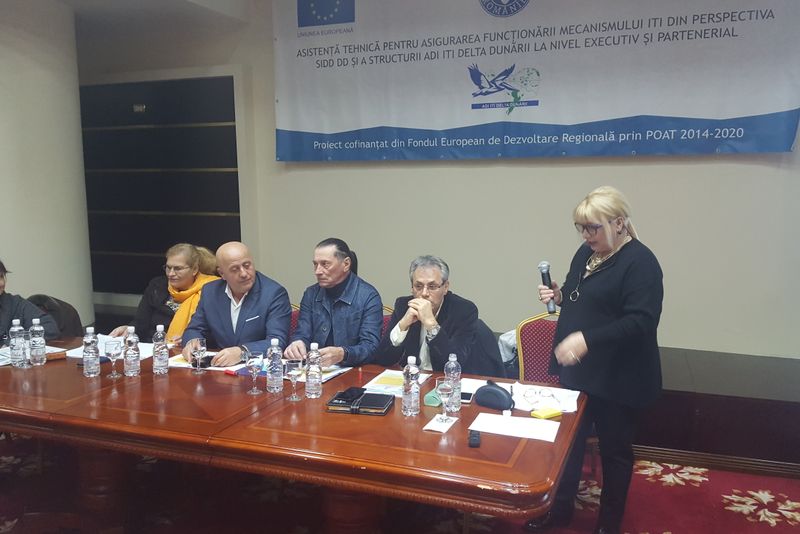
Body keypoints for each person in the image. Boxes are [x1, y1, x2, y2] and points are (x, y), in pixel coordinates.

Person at [525, 186, 663, 534]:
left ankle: (608, 524)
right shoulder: (586, 253)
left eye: (593, 227)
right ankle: (559, 511)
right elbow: (581, 295)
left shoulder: (641, 262)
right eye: (581, 227)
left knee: (615, 453)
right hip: (581, 371)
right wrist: (558, 295)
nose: (586, 235)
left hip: (619, 377)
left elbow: (641, 321)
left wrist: (587, 339)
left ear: (619, 223)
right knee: (569, 446)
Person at [375, 255, 503, 376]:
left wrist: (432, 325)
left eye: (432, 286)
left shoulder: (464, 310)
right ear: (412, 287)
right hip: (413, 381)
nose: (424, 293)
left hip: (446, 383)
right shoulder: (404, 306)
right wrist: (403, 325)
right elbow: (383, 359)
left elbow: (455, 363)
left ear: (445, 287)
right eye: (418, 286)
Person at [182, 241, 291, 367]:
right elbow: (195, 328)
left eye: (247, 265)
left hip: (255, 370)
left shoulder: (273, 293)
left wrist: (242, 352)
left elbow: (277, 341)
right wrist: (192, 342)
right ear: (222, 274)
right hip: (218, 369)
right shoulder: (210, 291)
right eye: (235, 269)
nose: (244, 273)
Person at [284, 238, 383, 368]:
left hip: (353, 372)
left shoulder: (368, 296)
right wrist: (297, 343)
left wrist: (343, 354)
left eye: (325, 264)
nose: (318, 271)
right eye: (315, 264)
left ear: (346, 264)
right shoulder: (311, 294)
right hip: (315, 370)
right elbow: (302, 333)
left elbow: (371, 347)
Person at [109, 243, 219, 342]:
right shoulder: (157, 286)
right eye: (168, 267)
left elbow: (215, 332)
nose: (171, 274)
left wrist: (191, 337)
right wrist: (128, 329)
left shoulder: (211, 289)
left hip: (189, 349)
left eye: (178, 269)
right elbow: (141, 322)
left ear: (194, 269)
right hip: (153, 348)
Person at [0, 259, 60, 341]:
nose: (1, 283)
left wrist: (12, 342)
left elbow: (50, 327)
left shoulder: (15, 304)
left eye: (1, 277)